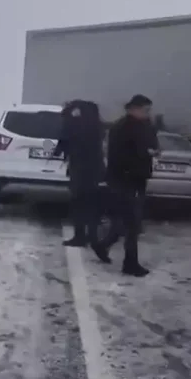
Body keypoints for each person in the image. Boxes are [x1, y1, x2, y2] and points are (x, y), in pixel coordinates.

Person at [93, 94, 157, 277]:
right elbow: (121, 156)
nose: (148, 113)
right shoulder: (122, 128)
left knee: (125, 222)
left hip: (136, 179)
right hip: (125, 180)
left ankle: (102, 246)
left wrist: (153, 149)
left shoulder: (144, 126)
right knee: (133, 224)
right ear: (133, 109)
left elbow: (151, 144)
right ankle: (130, 264)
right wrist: (145, 153)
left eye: (149, 110)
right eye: (145, 110)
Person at [52, 100, 109, 258]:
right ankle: (92, 236)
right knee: (91, 205)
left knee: (78, 203)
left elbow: (64, 133)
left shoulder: (74, 125)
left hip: (79, 170)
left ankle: (80, 236)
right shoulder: (98, 127)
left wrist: (71, 107)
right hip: (95, 171)